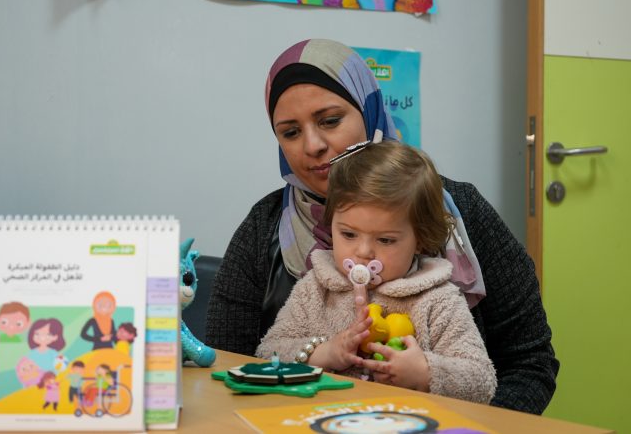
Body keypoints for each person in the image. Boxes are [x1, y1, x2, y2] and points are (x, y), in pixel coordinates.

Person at [205, 38, 559, 414]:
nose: (313, 145)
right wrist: (318, 355)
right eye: (290, 132)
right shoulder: (265, 226)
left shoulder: (461, 211)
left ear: (368, 109)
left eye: (330, 120)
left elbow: (530, 364)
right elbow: (233, 361)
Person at [257, 140, 496, 403]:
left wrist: (424, 372)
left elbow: (481, 379)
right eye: (348, 234)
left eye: (385, 240)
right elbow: (267, 353)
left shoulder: (439, 299)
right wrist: (325, 353)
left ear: (421, 239)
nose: (363, 252)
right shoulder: (316, 288)